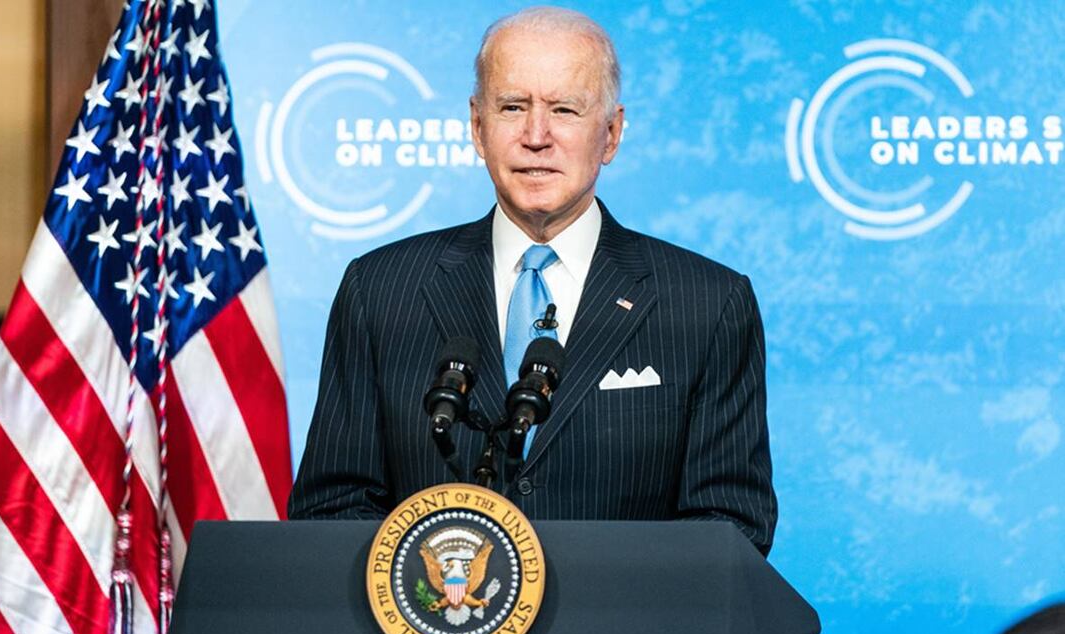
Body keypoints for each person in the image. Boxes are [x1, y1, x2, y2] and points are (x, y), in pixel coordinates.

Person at [288, 6, 778, 555]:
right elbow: (331, 510)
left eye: (565, 109)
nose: (536, 136)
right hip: (435, 629)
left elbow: (731, 527)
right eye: (513, 106)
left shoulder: (706, 303)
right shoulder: (379, 290)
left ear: (611, 134)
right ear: (478, 126)